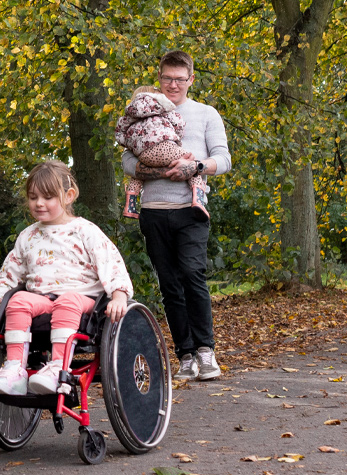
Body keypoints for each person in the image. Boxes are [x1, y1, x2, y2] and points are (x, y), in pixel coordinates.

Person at [0, 160, 136, 396]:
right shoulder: (27, 236)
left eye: (48, 197)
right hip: (42, 299)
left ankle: (57, 367)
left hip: (83, 299)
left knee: (68, 300)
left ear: (68, 195)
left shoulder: (85, 231)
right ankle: (15, 370)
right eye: (33, 197)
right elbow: (9, 274)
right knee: (19, 300)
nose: (39, 203)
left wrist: (119, 295)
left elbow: (111, 263)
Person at [122, 51, 230, 381]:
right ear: (159, 78)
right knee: (169, 285)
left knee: (192, 274)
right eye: (167, 78)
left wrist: (194, 167)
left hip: (191, 210)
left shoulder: (205, 114)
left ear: (191, 80)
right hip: (153, 212)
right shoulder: (142, 110)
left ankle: (206, 352)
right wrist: (153, 170)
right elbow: (128, 159)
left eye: (179, 79)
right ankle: (185, 355)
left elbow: (223, 160)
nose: (173, 84)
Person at [115, 86, 209, 216]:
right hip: (164, 147)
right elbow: (179, 124)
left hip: (143, 155)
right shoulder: (162, 107)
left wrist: (133, 145)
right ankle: (198, 199)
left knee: (137, 176)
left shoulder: (130, 114)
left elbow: (120, 134)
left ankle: (129, 207)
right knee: (190, 163)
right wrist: (176, 137)